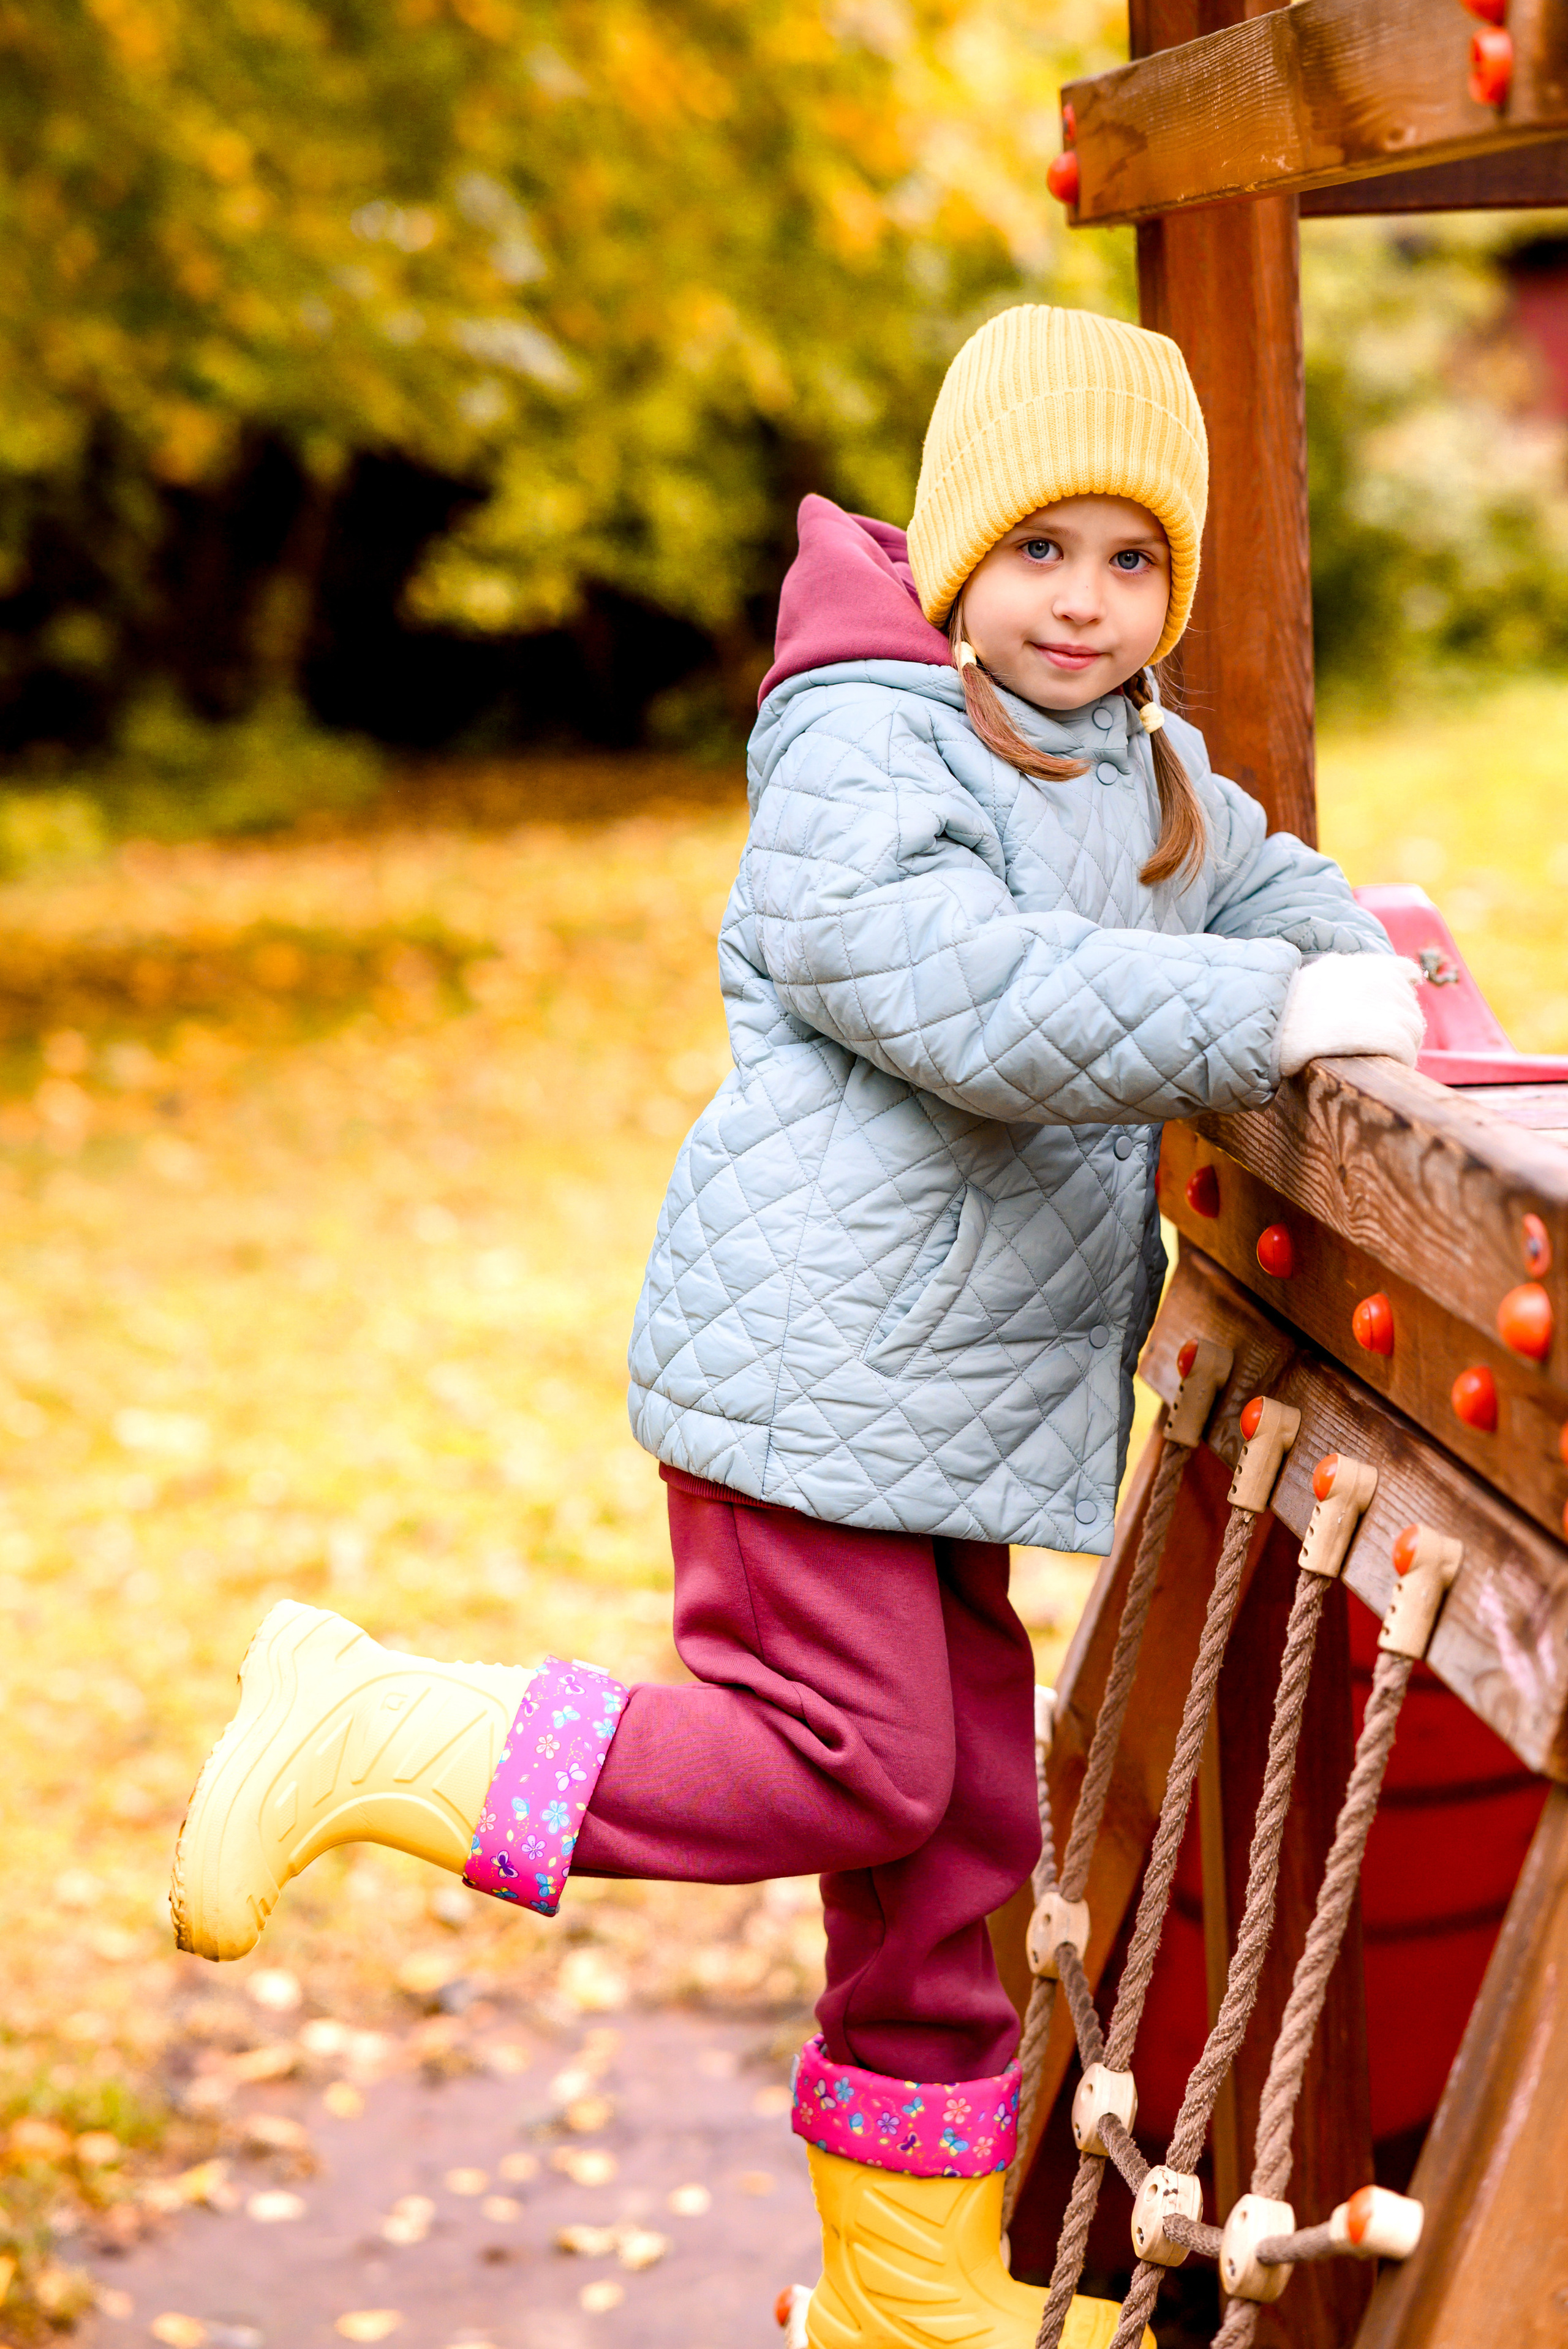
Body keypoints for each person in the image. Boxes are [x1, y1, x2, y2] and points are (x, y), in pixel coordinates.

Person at [169, 307, 1422, 2348]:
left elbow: (1287, 892)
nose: (1086, 604)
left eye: (1132, 561)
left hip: (951, 1411)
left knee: (957, 1834)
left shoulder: (1157, 780)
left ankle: (906, 2303)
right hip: (815, 1370)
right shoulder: (867, 740)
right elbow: (954, 986)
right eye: (1040, 550)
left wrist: (1352, 974)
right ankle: (385, 1725)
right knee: (848, 1764)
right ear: (951, 557)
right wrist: (1255, 1017)